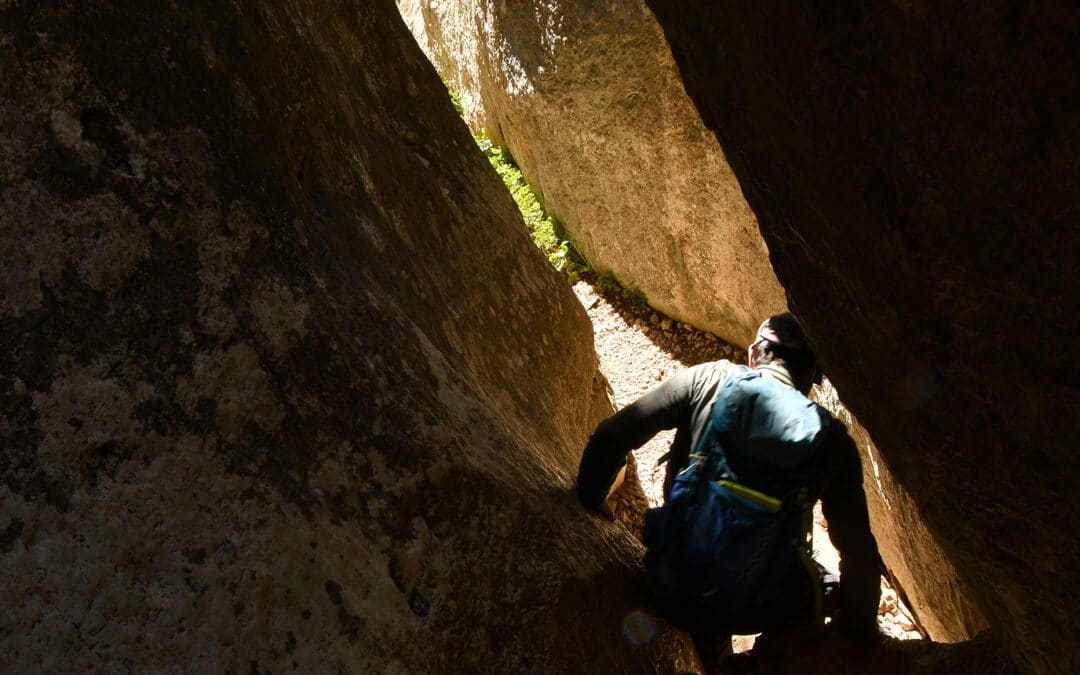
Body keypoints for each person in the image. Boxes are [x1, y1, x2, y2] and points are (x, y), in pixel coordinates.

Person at [576, 312, 882, 666]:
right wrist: (860, 636)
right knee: (823, 587)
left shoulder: (706, 379)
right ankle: (766, 662)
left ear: (754, 355)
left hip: (672, 587)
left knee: (705, 563)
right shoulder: (831, 440)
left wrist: (590, 497)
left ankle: (715, 661)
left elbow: (613, 435)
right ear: (813, 374)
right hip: (761, 607)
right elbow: (860, 556)